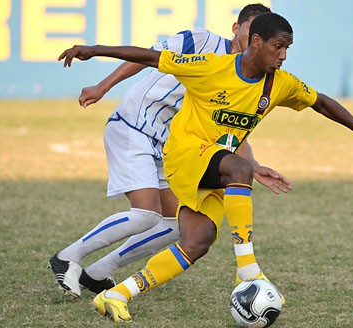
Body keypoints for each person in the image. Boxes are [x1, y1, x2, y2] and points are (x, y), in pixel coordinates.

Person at [59, 12, 353, 322]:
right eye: (277, 46)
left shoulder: (278, 84)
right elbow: (150, 57)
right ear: (256, 41)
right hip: (184, 154)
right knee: (240, 169)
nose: (283, 55)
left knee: (198, 240)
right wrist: (94, 49)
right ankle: (248, 271)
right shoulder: (210, 66)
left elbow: (322, 103)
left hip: (213, 165)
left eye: (288, 48)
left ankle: (117, 294)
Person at [48, 4, 287, 299]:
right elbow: (147, 57)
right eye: (251, 32)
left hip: (171, 146)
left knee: (177, 225)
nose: (255, 42)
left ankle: (98, 273)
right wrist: (103, 86)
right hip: (134, 126)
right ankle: (68, 256)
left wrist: (254, 165)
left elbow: (228, 130)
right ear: (238, 30)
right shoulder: (200, 41)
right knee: (146, 214)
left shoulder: (244, 76)